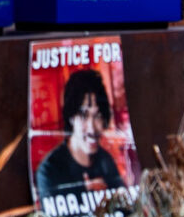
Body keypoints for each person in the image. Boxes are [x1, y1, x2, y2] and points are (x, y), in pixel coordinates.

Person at [36, 69, 125, 201]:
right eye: (84, 115)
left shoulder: (106, 161)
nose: (92, 128)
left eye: (98, 116)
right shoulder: (49, 170)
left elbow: (129, 214)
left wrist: (109, 199)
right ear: (71, 117)